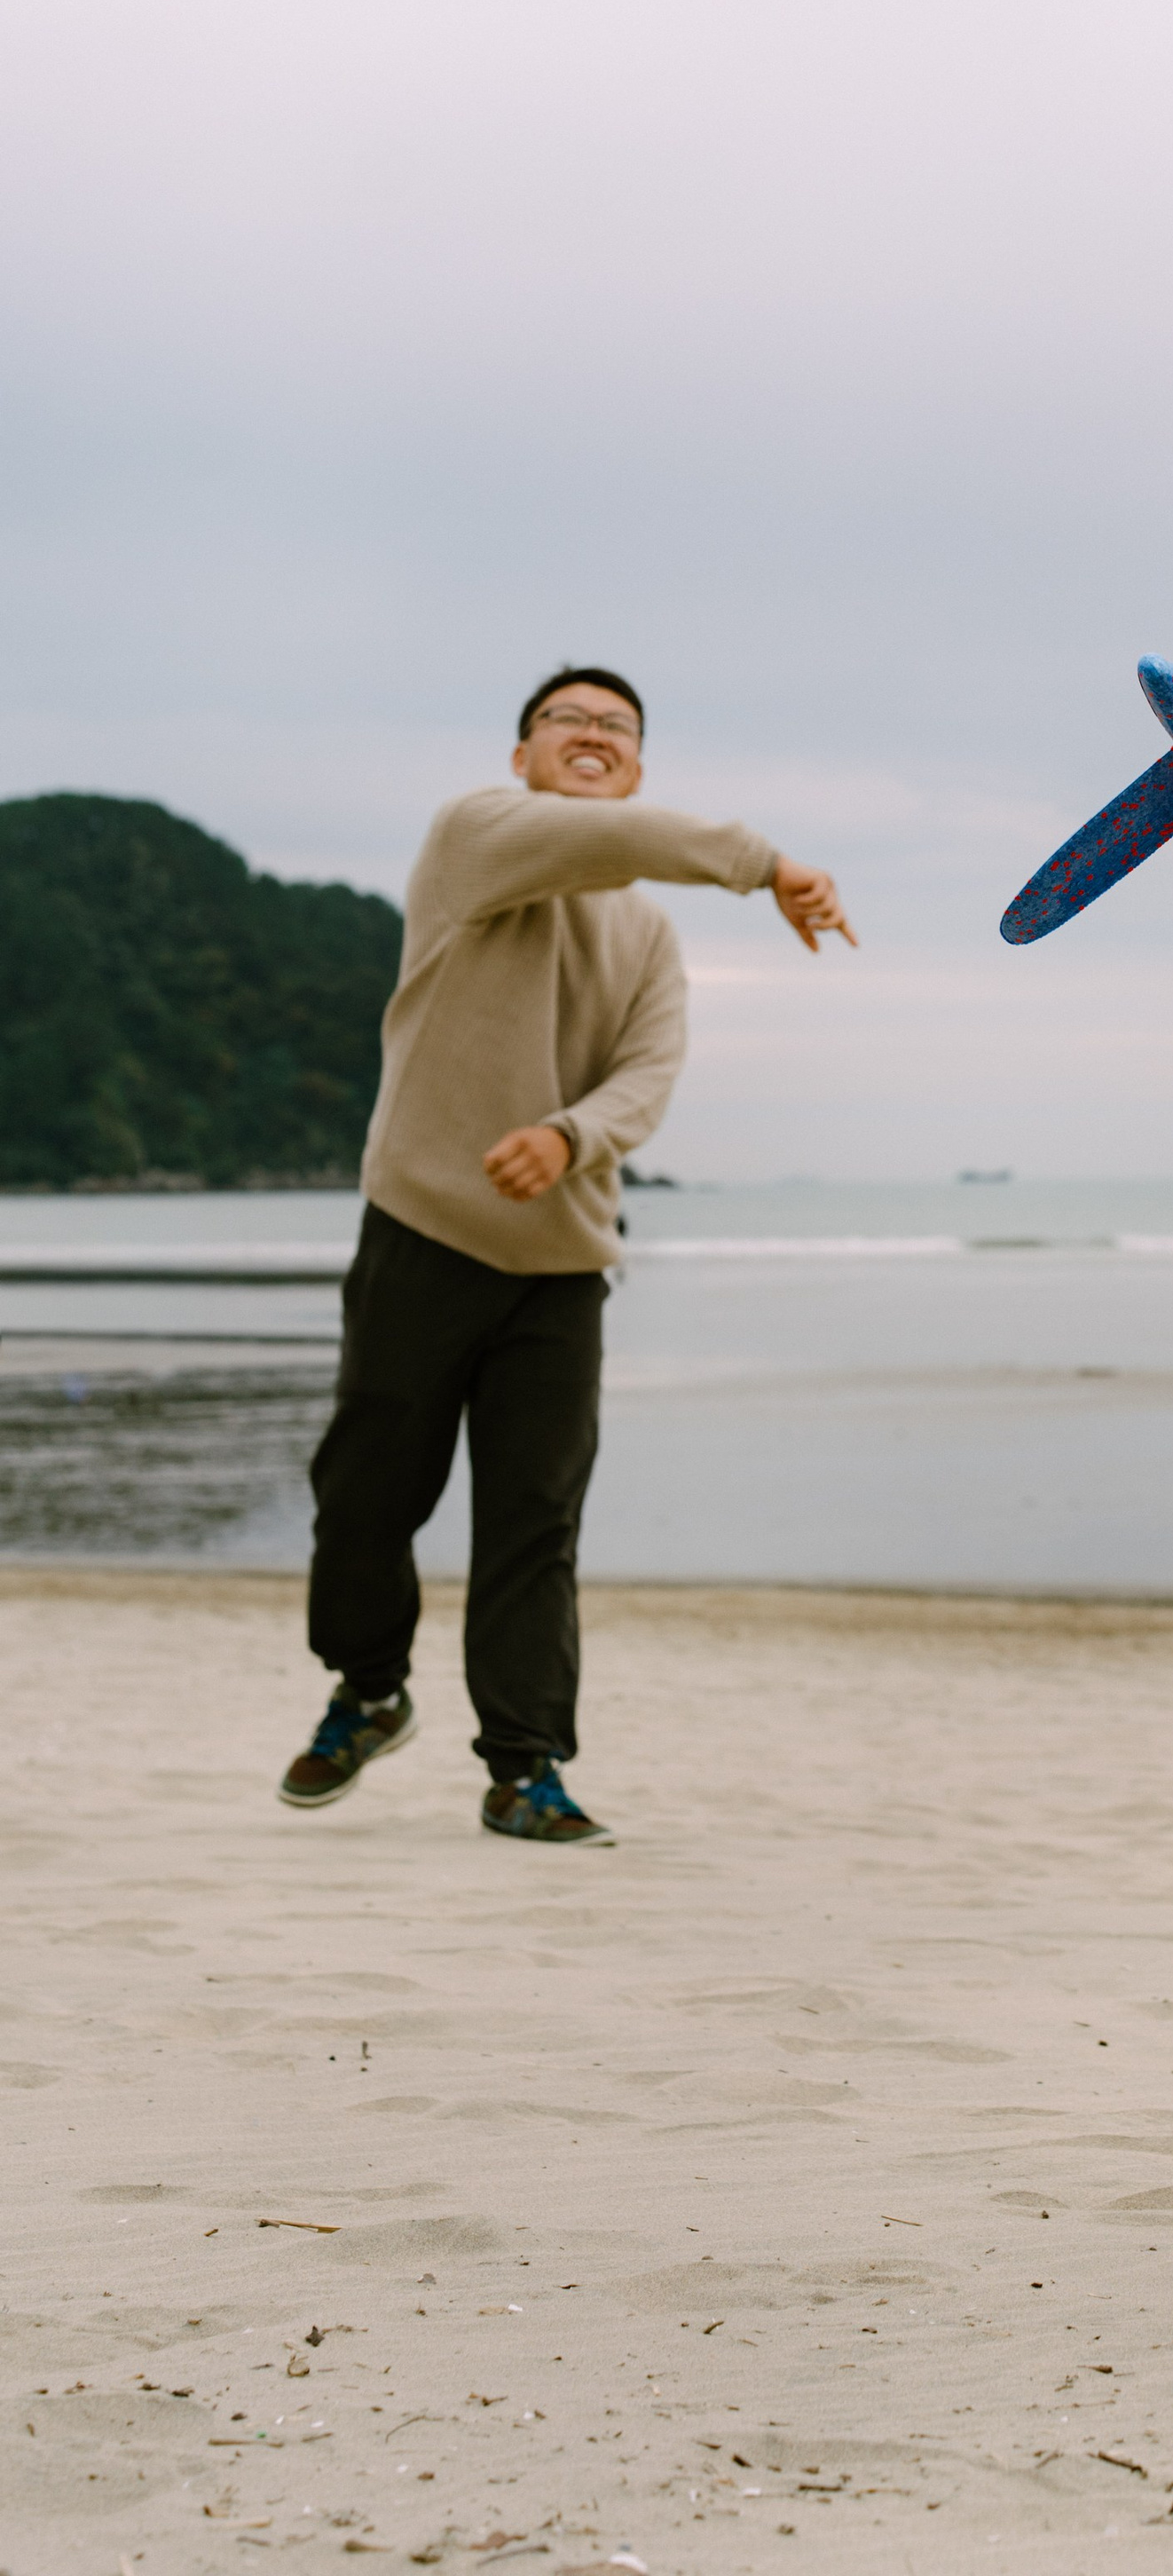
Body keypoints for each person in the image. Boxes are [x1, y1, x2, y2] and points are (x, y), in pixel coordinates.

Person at [278, 666, 854, 1847]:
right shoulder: (472, 840)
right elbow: (631, 841)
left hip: (562, 1266)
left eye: (617, 731)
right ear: (523, 758)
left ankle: (523, 1767)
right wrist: (763, 863)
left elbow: (646, 1077)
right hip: (422, 1231)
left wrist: (568, 1135)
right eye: (568, 724)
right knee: (366, 1498)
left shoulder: (644, 930)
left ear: (638, 767)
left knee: (534, 1523)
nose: (592, 738)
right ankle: (369, 1688)